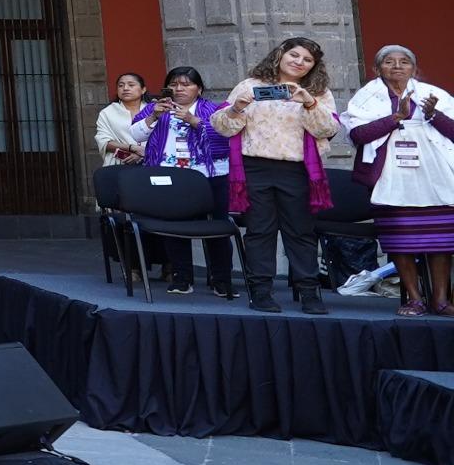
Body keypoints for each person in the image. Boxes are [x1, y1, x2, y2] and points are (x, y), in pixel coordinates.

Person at [214, 37, 342, 314]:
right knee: (260, 230)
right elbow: (223, 128)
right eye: (294, 55)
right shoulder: (250, 85)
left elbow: (327, 129)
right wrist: (236, 108)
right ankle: (260, 291)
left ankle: (309, 292)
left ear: (313, 67)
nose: (299, 62)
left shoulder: (318, 92)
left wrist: (308, 102)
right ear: (280, 55)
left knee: (300, 232)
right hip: (254, 166)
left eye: (307, 60)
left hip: (297, 169)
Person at [343, 44, 454, 316]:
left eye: (404, 61)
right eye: (388, 61)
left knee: (440, 239)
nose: (397, 66)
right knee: (401, 237)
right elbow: (358, 135)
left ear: (414, 69)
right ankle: (414, 299)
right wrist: (396, 118)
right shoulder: (367, 97)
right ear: (377, 69)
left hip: (434, 176)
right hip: (391, 177)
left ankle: (440, 300)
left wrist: (434, 116)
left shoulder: (435, 95)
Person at [134, 67, 235, 298]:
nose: (179, 89)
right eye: (174, 84)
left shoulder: (214, 109)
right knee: (173, 227)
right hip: (170, 175)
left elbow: (225, 136)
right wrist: (154, 117)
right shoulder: (156, 108)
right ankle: (182, 278)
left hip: (210, 175)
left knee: (216, 227)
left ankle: (221, 279)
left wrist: (194, 121)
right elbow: (136, 135)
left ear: (198, 89)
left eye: (186, 84)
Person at [96, 72, 153, 166]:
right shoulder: (107, 113)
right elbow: (104, 142)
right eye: (121, 85)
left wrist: (143, 154)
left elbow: (164, 138)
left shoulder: (154, 110)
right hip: (120, 163)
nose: (125, 88)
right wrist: (131, 148)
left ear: (143, 89)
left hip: (152, 163)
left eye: (131, 85)